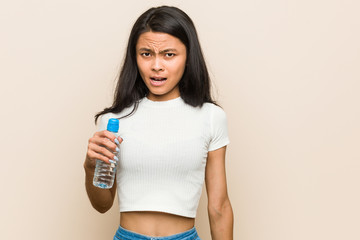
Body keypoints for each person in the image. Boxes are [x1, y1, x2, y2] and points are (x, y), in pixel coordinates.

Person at [84, 6, 234, 240]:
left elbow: (219, 207)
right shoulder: (113, 120)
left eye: (169, 54)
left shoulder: (211, 117)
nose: (156, 66)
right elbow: (102, 205)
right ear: (135, 57)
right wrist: (91, 166)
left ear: (188, 56)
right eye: (146, 54)